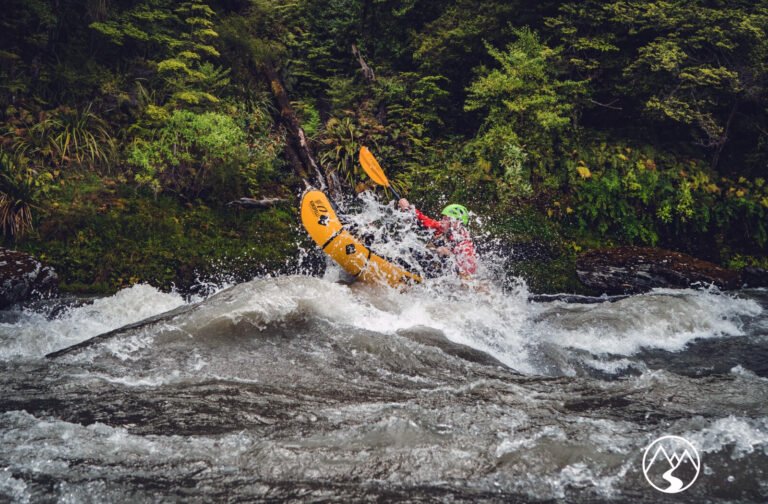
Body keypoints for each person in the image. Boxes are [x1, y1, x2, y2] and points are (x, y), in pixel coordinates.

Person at [398, 198, 477, 277]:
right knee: (415, 250)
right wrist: (408, 208)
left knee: (441, 253)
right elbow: (424, 220)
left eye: (446, 219)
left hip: (452, 278)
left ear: (456, 223)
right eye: (443, 218)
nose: (441, 221)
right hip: (439, 269)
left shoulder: (465, 246)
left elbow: (467, 276)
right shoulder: (444, 228)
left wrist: (449, 254)